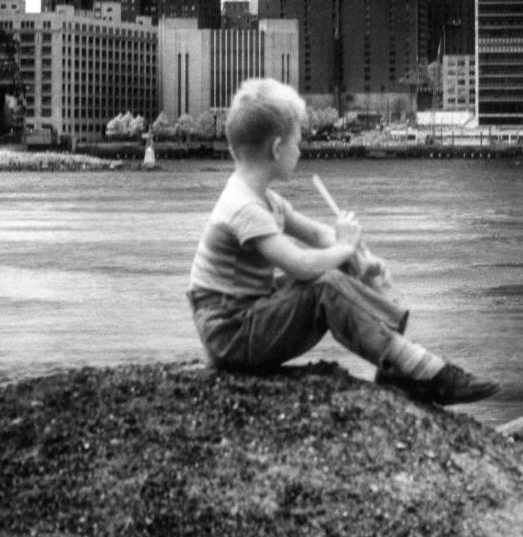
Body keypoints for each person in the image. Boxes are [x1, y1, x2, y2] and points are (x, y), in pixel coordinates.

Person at [187, 77, 499, 405]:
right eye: (297, 141)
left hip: (243, 315)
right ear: (277, 148)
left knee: (340, 268)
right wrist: (345, 248)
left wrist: (359, 258)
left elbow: (321, 235)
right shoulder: (244, 208)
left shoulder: (264, 200)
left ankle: (395, 360)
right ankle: (416, 367)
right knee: (326, 284)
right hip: (231, 335)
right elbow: (301, 265)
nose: (301, 149)